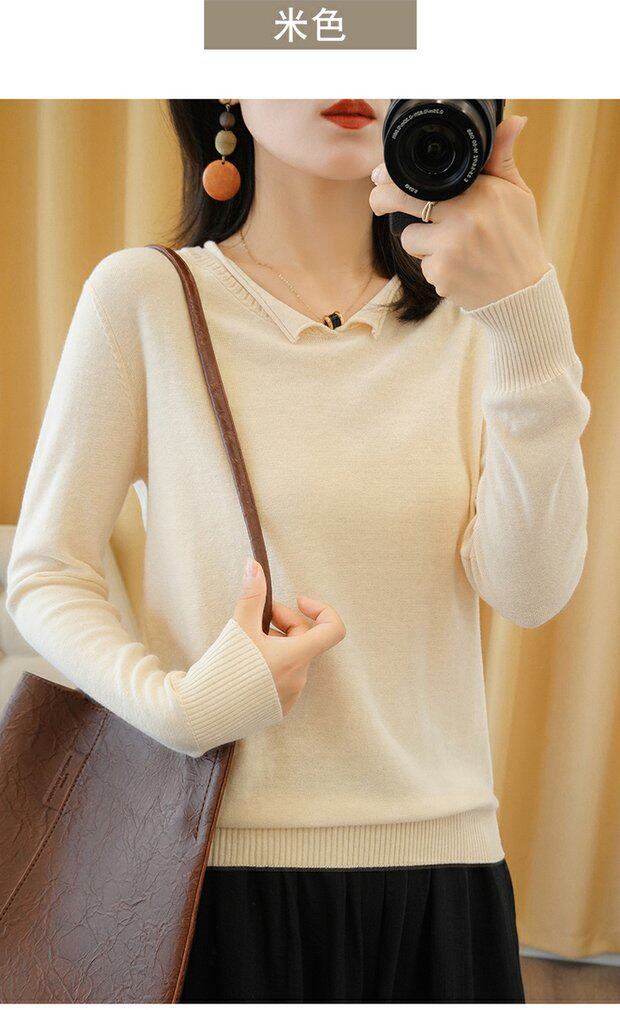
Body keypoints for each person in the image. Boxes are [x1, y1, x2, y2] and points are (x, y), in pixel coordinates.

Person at [5, 99, 591, 1002]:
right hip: (208, 872)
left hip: (444, 870)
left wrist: (528, 321)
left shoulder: (482, 319)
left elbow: (530, 589)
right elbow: (47, 570)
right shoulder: (147, 297)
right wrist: (177, 706)